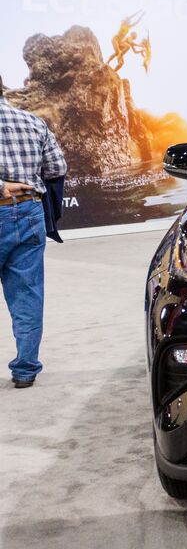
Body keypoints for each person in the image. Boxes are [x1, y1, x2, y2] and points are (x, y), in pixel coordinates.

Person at [0, 78, 67, 389]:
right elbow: (56, 167)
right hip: (29, 211)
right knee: (27, 295)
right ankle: (25, 370)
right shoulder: (32, 121)